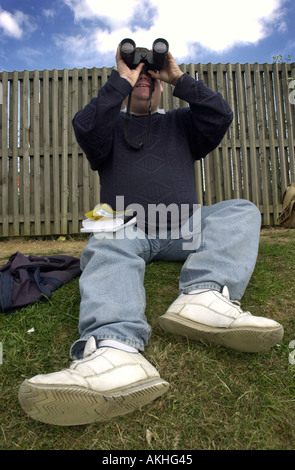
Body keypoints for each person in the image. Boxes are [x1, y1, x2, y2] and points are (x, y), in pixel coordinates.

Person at [18, 45, 284, 426]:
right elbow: (84, 124)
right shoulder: (107, 128)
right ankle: (116, 351)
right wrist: (121, 80)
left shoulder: (181, 123)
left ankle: (203, 297)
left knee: (241, 209)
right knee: (106, 240)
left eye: (150, 72)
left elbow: (219, 114)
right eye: (136, 72)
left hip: (185, 226)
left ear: (160, 83)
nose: (144, 75)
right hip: (129, 228)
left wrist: (178, 78)